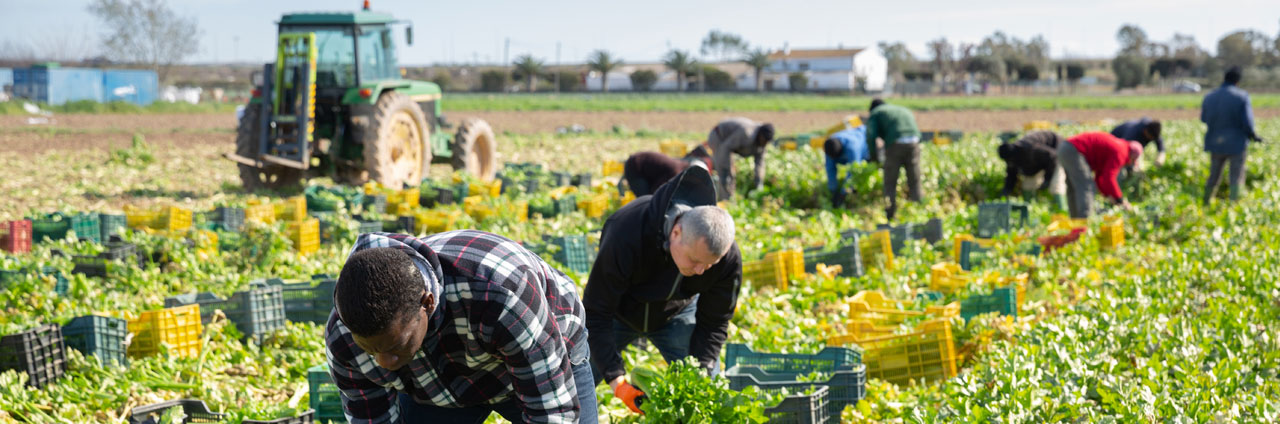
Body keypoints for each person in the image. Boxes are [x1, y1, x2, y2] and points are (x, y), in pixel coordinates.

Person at [324, 231, 597, 423]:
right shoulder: (344, 334)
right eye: (370, 350)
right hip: (438, 386)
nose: (385, 363)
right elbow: (372, 418)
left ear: (427, 303)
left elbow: (551, 414)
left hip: (542, 351)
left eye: (396, 346)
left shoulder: (498, 294)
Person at [583, 165, 742, 414]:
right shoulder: (627, 231)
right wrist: (617, 381)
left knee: (706, 394)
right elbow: (596, 312)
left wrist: (701, 370)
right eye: (694, 260)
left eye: (709, 265)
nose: (701, 271)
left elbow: (715, 321)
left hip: (677, 313)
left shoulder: (727, 258)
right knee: (570, 388)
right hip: (618, 314)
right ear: (676, 233)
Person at [1202, 66, 1264, 205]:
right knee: (1236, 176)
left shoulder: (1210, 96)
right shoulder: (1242, 96)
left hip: (1215, 143)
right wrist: (1253, 135)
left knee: (1213, 176)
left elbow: (1204, 118)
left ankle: (1206, 204)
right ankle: (1234, 207)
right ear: (1238, 81)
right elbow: (1247, 123)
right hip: (1236, 144)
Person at [1056, 132, 1142, 218]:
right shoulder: (1121, 153)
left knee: (1073, 189)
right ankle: (1083, 225)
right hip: (1075, 150)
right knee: (1086, 187)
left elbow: (1100, 177)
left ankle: (1075, 224)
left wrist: (1107, 195)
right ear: (1132, 157)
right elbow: (1109, 178)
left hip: (1065, 147)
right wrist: (1120, 200)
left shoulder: (1120, 146)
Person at [864, 98, 923, 220]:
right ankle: (919, 213)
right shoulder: (901, 109)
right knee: (914, 180)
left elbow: (870, 136)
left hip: (895, 143)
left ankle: (890, 216)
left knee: (890, 182)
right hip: (914, 142)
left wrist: (874, 158)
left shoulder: (876, 112)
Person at [705, 117, 776, 200]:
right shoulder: (746, 133)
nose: (764, 144)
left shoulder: (762, 144)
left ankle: (729, 198)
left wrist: (759, 184)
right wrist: (726, 169)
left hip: (730, 143)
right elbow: (725, 147)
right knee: (726, 174)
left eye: (767, 142)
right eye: (764, 141)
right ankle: (725, 201)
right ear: (760, 135)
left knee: (730, 174)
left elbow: (760, 164)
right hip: (718, 137)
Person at [997, 130, 1067, 211]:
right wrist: (1006, 191)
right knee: (1028, 186)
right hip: (1040, 162)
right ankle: (1031, 212)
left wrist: (1047, 179)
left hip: (1057, 153)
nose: (1009, 162)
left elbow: (1052, 157)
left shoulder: (1029, 148)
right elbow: (1011, 175)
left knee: (1055, 186)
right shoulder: (1011, 158)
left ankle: (1063, 212)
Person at [620, 146, 714, 197]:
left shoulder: (681, 165)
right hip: (635, 167)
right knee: (646, 200)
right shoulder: (675, 172)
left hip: (641, 165)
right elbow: (658, 190)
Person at [822, 126, 870, 208]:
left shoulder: (853, 148)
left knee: (864, 171)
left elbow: (853, 171)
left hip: (864, 140)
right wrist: (833, 190)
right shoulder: (830, 145)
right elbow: (830, 168)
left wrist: (844, 192)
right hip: (850, 137)